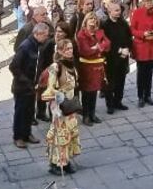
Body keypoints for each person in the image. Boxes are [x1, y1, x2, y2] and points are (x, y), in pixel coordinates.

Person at [40, 38, 81, 175]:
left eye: (71, 48)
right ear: (60, 51)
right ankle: (56, 164)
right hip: (59, 107)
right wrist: (59, 100)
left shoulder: (71, 64)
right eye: (67, 49)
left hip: (70, 106)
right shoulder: (55, 67)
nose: (70, 51)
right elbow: (50, 90)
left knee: (70, 133)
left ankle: (66, 160)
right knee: (60, 136)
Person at [10, 22, 50, 148]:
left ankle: (27, 133)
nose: (47, 38)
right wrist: (26, 81)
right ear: (37, 34)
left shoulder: (38, 46)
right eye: (45, 35)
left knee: (29, 111)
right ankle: (18, 137)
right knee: (20, 112)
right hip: (22, 86)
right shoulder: (25, 47)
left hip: (32, 86)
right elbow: (14, 67)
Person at [75, 12, 110, 124]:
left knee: (94, 90)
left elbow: (108, 43)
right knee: (86, 92)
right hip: (86, 67)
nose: (93, 21)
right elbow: (85, 51)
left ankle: (92, 114)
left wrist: (98, 47)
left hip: (97, 66)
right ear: (86, 21)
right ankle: (86, 116)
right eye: (90, 19)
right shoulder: (82, 34)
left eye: (94, 19)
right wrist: (98, 48)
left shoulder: (100, 31)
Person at [129, 0, 153, 107]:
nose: (149, 3)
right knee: (141, 73)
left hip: (152, 46)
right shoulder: (137, 13)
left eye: (150, 1)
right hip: (141, 46)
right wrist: (143, 34)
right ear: (142, 2)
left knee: (149, 72)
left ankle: (148, 95)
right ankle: (140, 96)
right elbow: (132, 30)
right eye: (147, 1)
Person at [101, 0, 132, 114]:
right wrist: (119, 50)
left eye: (119, 10)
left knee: (121, 81)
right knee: (110, 83)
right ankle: (110, 104)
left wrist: (128, 49)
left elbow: (129, 37)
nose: (119, 12)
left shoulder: (123, 23)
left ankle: (118, 101)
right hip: (111, 59)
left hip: (123, 58)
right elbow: (106, 43)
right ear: (109, 11)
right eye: (116, 10)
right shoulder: (105, 25)